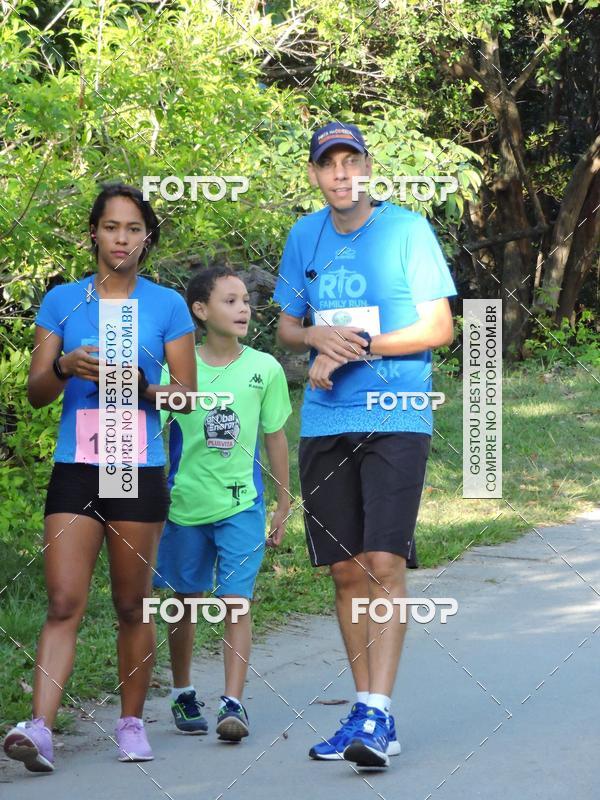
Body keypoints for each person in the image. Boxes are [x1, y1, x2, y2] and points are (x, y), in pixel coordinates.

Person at [274, 122, 456, 767]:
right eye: (330, 164)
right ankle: (365, 707)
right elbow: (288, 327)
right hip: (326, 419)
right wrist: (317, 340)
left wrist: (358, 344)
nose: (342, 174)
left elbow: (440, 327)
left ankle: (378, 713)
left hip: (395, 413)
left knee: (384, 563)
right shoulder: (305, 236)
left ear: (368, 168)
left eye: (353, 162)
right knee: (346, 569)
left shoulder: (407, 230)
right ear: (315, 174)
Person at [3, 183, 197, 772]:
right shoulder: (62, 299)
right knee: (64, 602)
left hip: (134, 465)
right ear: (94, 233)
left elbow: (188, 398)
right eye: (112, 227)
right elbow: (36, 394)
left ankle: (131, 723)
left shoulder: (166, 305)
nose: (122, 239)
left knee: (131, 603)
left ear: (146, 238)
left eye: (134, 230)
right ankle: (39, 728)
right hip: (78, 467)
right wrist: (62, 366)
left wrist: (141, 384)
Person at [153, 265, 292, 742]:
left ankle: (233, 703)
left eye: (245, 301)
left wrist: (283, 501)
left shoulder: (264, 368)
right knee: (184, 602)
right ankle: (183, 690)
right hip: (184, 506)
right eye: (229, 300)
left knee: (236, 601)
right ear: (200, 310)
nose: (243, 308)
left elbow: (275, 438)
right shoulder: (176, 367)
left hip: (242, 506)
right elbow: (153, 435)